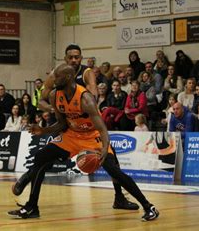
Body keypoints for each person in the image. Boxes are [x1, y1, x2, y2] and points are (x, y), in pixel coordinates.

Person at [8, 64, 159, 221]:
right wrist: (43, 130)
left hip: (93, 137)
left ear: (67, 78)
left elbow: (102, 129)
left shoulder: (85, 98)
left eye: (56, 77)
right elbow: (61, 124)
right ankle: (32, 207)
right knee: (41, 157)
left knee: (114, 171)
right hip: (72, 135)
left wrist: (105, 149)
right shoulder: (54, 95)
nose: (53, 80)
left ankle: (149, 207)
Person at [38, 45, 136, 209]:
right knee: (43, 159)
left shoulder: (86, 73)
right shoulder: (57, 74)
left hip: (89, 126)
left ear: (81, 58)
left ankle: (119, 198)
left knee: (112, 164)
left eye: (77, 57)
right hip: (68, 126)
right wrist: (54, 108)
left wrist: (80, 106)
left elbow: (93, 96)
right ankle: (27, 187)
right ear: (65, 59)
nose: (74, 60)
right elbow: (42, 100)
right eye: (71, 57)